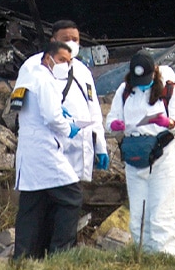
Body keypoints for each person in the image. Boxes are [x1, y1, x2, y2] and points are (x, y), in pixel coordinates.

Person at [105, 52, 175, 254]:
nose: (141, 84)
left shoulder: (170, 92)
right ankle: (142, 258)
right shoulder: (125, 90)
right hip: (135, 159)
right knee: (138, 218)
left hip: (164, 158)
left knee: (161, 215)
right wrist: (115, 125)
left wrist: (169, 123)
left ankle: (165, 259)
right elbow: (110, 121)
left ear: (155, 73)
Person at [12, 41, 84, 259]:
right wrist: (68, 128)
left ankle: (24, 257)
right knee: (72, 197)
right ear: (48, 58)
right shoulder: (45, 80)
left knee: (32, 206)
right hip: (45, 150)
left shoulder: (32, 77)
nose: (65, 65)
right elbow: (52, 117)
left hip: (31, 151)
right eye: (61, 60)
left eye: (68, 62)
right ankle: (60, 253)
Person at [17, 20, 109, 181]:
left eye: (75, 39)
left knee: (75, 197)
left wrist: (100, 145)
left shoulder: (82, 71)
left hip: (80, 149)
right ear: (53, 41)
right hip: (50, 147)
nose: (71, 43)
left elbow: (93, 111)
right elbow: (22, 106)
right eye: (66, 39)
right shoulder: (33, 66)